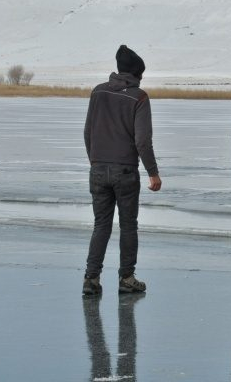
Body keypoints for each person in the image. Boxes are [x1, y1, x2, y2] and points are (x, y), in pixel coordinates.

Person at [83, 45, 161, 295]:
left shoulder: (98, 92)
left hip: (98, 169)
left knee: (101, 225)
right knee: (128, 226)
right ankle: (127, 278)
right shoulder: (139, 96)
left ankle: (91, 279)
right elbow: (142, 140)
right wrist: (153, 172)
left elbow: (87, 132)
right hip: (125, 171)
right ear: (137, 73)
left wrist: (95, 160)